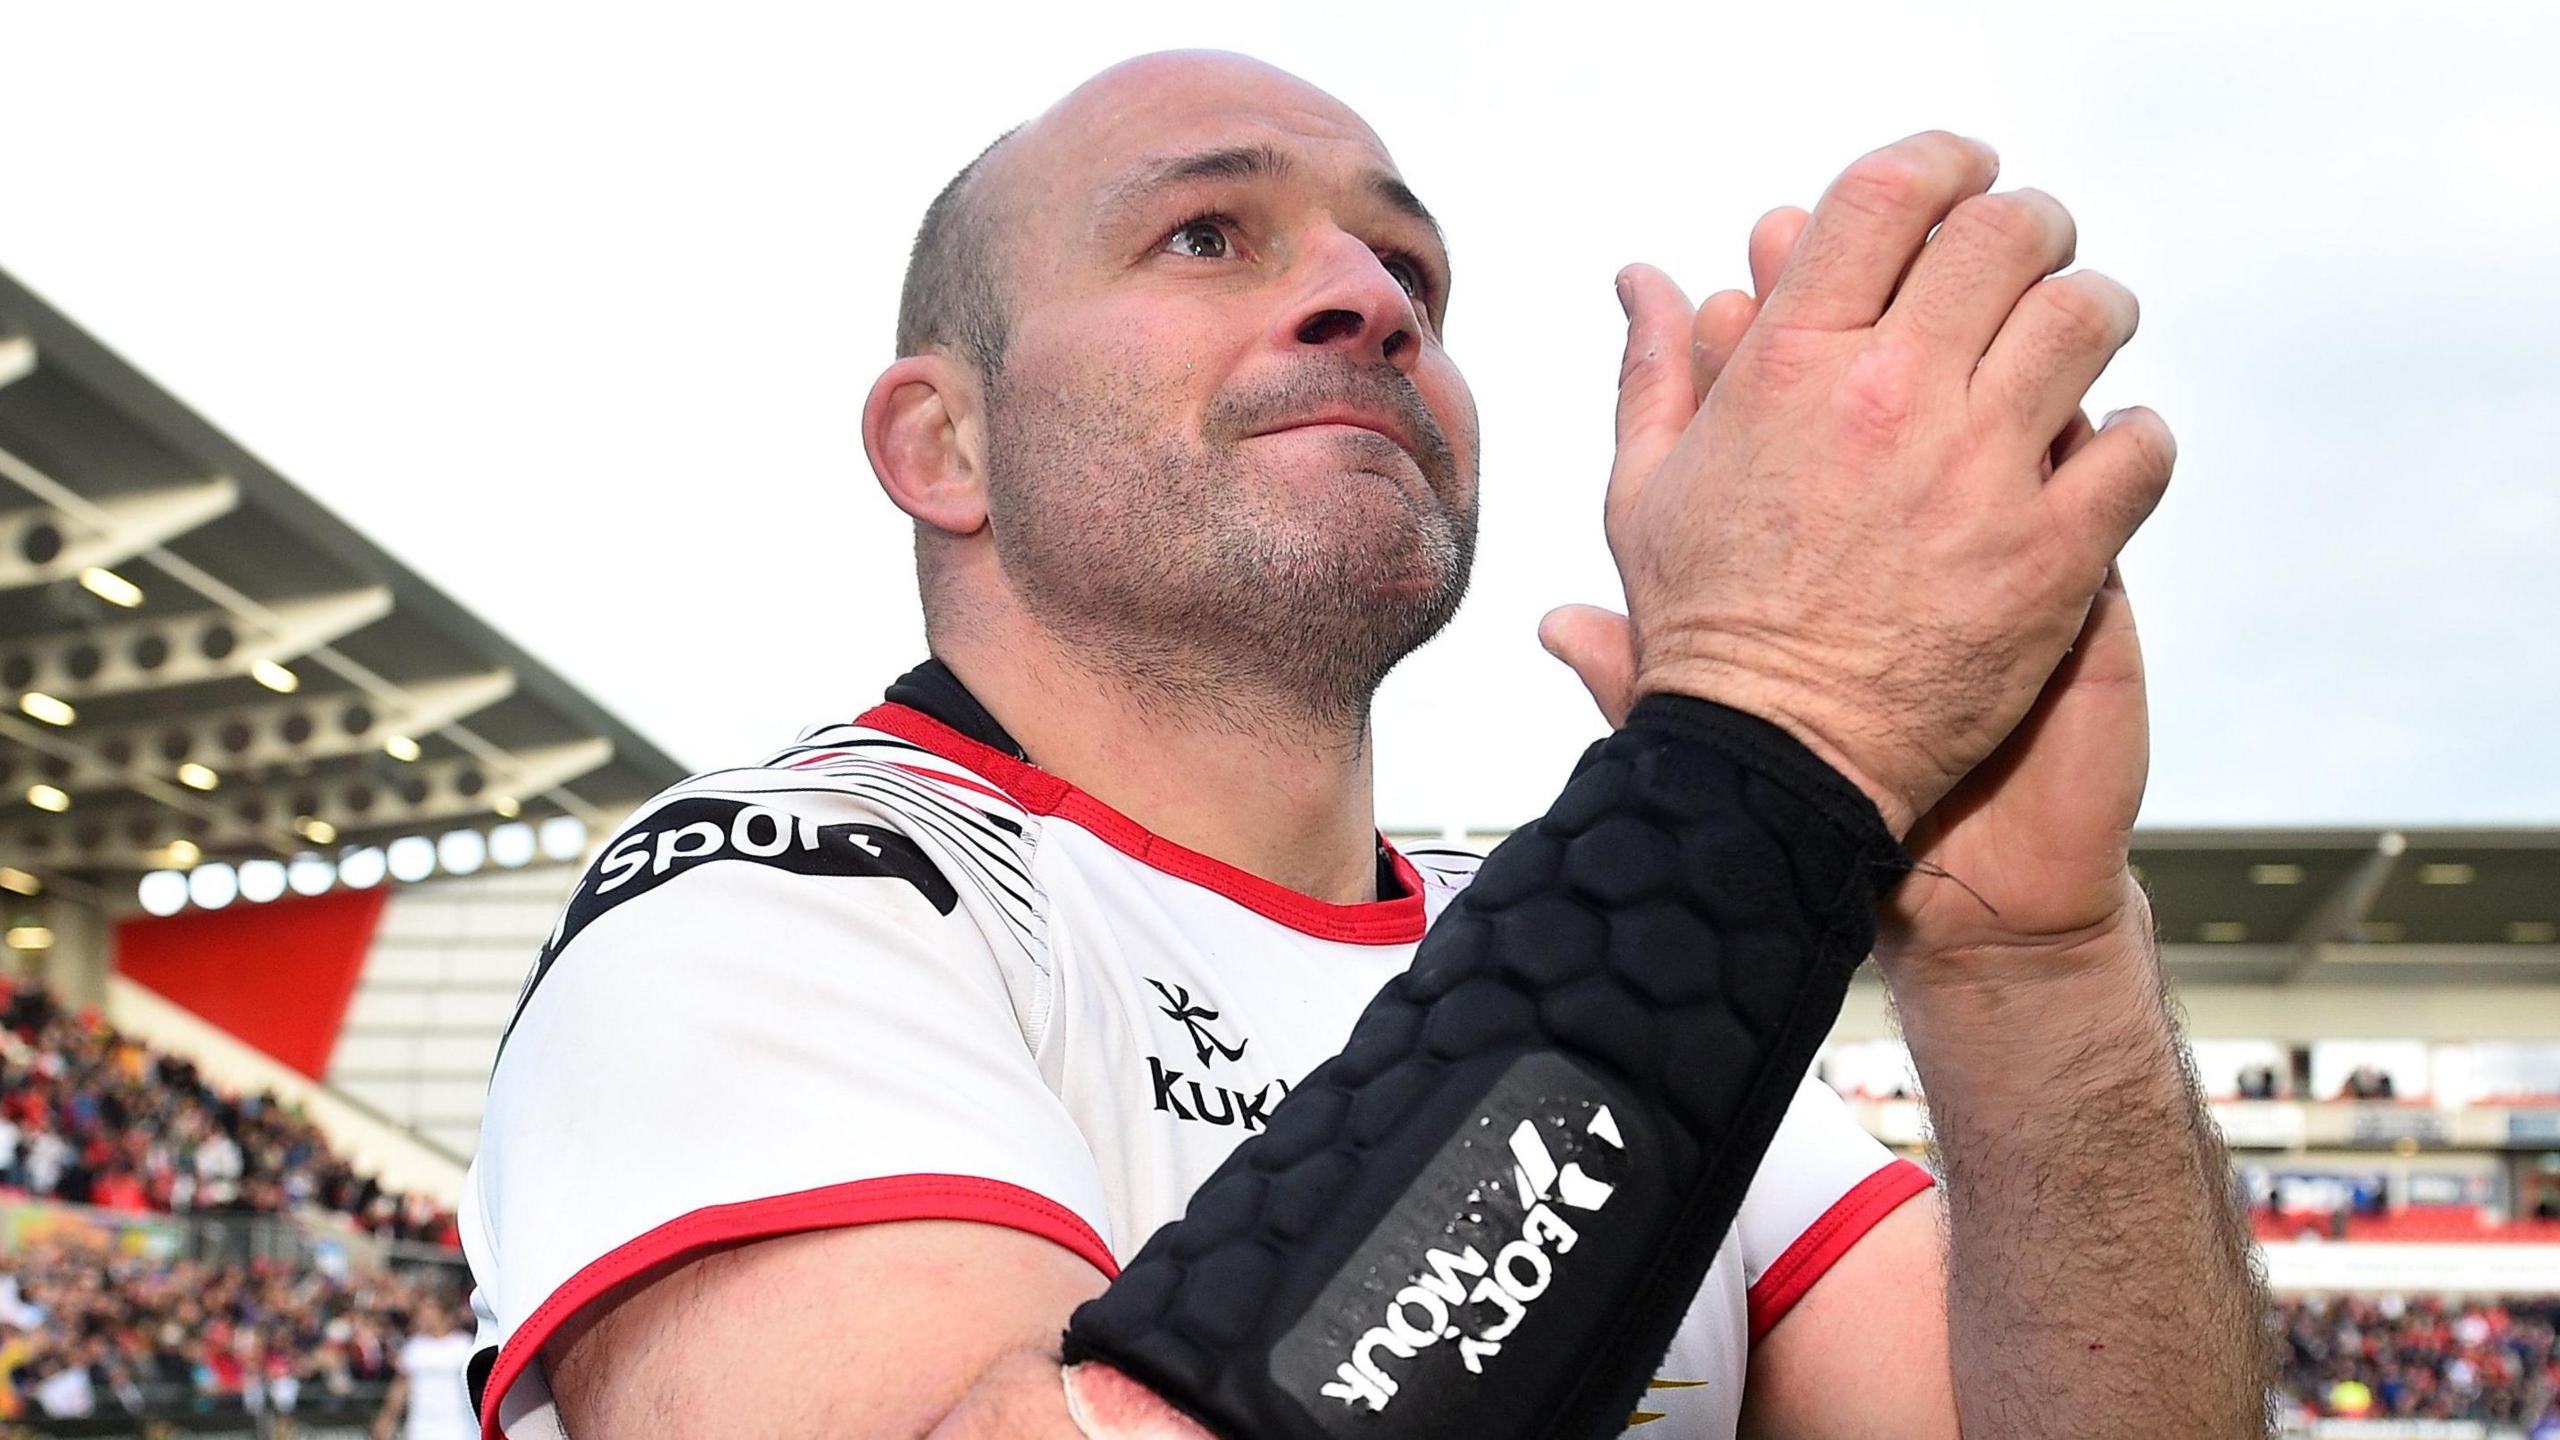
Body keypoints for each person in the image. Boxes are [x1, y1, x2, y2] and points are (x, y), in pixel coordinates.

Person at [463, 50, 2270, 1440]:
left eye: (1409, 266)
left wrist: (2038, 963)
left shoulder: (1552, 932)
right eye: (1205, 235)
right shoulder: (783, 897)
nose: (1372, 298)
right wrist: (1771, 738)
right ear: (947, 444)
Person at [376, 1300, 478, 1440]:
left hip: (458, 1427)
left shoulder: (465, 1345)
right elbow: (401, 1386)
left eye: (430, 1312)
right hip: (420, 1427)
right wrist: (387, 1418)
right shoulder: (414, 1347)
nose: (424, 1317)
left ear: (445, 1315)